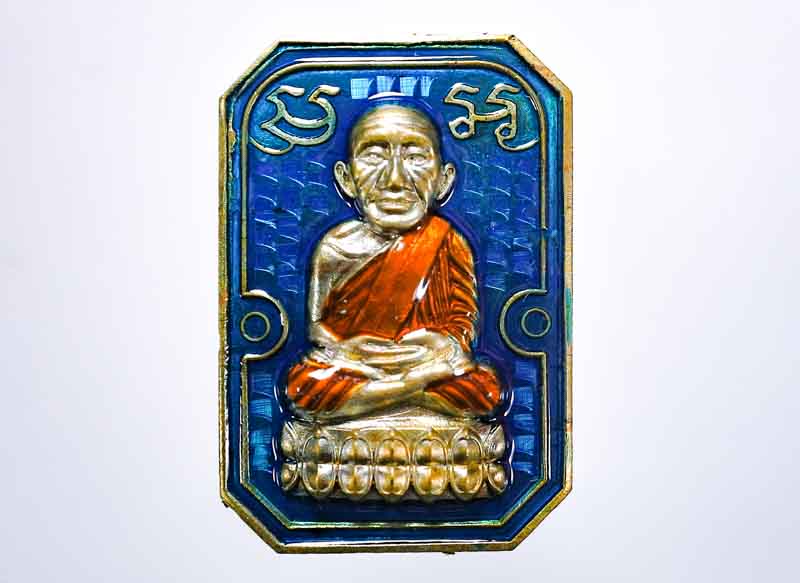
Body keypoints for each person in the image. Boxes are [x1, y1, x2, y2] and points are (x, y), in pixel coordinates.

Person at [286, 102, 502, 421]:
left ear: (444, 180)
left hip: (425, 361)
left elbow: (463, 322)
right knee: (305, 386)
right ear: (346, 178)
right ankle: (412, 389)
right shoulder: (335, 246)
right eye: (374, 156)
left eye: (415, 157)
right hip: (358, 365)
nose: (395, 179)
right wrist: (349, 351)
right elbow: (317, 330)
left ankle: (388, 393)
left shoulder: (446, 240)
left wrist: (441, 344)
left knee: (482, 389)